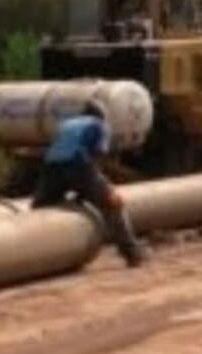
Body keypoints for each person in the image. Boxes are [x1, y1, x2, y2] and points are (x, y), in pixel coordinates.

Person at [32, 100, 146, 267]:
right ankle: (132, 253)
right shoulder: (99, 125)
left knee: (41, 207)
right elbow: (97, 157)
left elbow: (56, 150)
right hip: (79, 166)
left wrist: (83, 190)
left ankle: (38, 252)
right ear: (102, 115)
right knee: (114, 204)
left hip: (51, 168)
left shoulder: (66, 124)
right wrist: (101, 186)